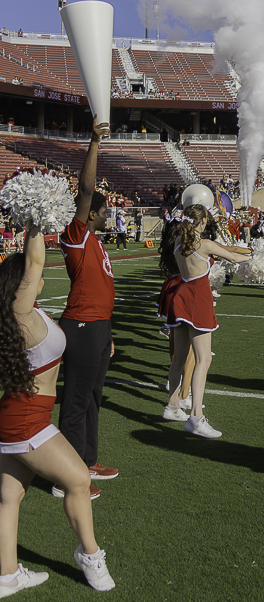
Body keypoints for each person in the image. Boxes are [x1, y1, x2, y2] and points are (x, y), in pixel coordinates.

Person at [0, 225, 115, 593]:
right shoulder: (19, 312)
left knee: (10, 497)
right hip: (28, 422)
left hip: (15, 416)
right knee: (79, 480)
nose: (41, 276)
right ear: (20, 284)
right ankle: (90, 555)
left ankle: (6, 576)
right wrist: (35, 219)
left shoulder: (19, 313)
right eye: (33, 276)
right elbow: (35, 259)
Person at [57, 118, 118, 497]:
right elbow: (86, 187)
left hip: (98, 327)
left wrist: (107, 333)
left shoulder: (94, 238)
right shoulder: (77, 235)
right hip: (79, 325)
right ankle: (66, 476)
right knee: (76, 401)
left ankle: (86, 461)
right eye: (103, 209)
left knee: (93, 396)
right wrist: (94, 142)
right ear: (90, 212)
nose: (106, 212)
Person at [161, 205, 251, 437]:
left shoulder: (178, 242)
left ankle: (172, 406)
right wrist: (256, 255)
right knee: (203, 360)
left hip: (179, 297)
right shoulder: (205, 244)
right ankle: (196, 418)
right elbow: (233, 257)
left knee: (179, 357)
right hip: (197, 300)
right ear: (201, 223)